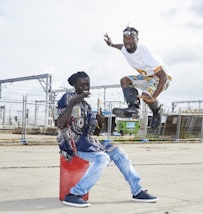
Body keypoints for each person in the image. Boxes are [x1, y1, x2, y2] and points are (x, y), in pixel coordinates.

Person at [56, 71, 159, 208]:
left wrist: (100, 122)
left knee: (119, 152)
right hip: (72, 144)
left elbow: (95, 133)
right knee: (102, 158)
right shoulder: (67, 98)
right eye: (81, 85)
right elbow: (60, 124)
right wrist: (74, 102)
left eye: (87, 85)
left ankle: (137, 190)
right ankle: (74, 194)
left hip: (87, 142)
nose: (85, 88)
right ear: (74, 85)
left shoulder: (86, 106)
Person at [104, 26, 171, 128]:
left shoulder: (144, 52)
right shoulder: (125, 48)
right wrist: (111, 44)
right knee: (125, 81)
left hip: (162, 78)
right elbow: (120, 46)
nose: (128, 42)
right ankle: (134, 107)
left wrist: (153, 97)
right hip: (146, 76)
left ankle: (157, 111)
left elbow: (163, 77)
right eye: (125, 39)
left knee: (146, 95)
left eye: (131, 39)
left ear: (137, 40)